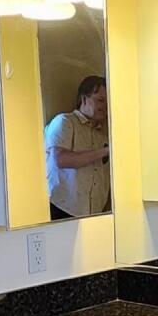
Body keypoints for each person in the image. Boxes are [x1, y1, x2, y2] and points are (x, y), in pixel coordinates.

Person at [44, 75, 110, 218]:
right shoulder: (64, 122)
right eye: (100, 100)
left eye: (107, 102)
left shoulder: (102, 136)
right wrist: (105, 151)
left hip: (93, 215)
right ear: (84, 99)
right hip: (61, 210)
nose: (105, 106)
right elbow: (61, 159)